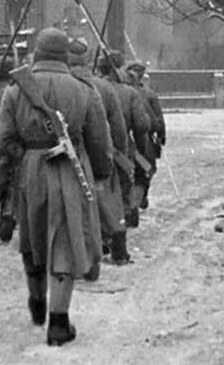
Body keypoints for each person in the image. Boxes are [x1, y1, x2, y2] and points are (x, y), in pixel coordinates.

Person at [0, 28, 112, 347]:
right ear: (64, 56)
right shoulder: (84, 90)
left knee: (32, 236)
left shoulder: (15, 91)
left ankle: (36, 300)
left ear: (38, 54)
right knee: (65, 242)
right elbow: (99, 139)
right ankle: (58, 320)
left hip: (30, 170)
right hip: (70, 169)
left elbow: (1, 144)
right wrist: (101, 173)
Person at [68, 38, 133, 265]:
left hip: (70, 154)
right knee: (108, 201)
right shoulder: (104, 88)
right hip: (103, 150)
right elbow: (118, 128)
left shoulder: (64, 86)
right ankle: (117, 248)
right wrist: (120, 155)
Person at [97, 50, 151, 229]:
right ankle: (125, 218)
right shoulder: (129, 92)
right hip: (122, 145)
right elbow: (141, 125)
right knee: (124, 182)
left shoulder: (91, 87)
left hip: (95, 145)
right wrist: (141, 150)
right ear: (118, 69)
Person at [126, 61, 166, 212]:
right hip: (143, 139)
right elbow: (158, 119)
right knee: (145, 171)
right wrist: (161, 135)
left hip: (128, 139)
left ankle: (135, 200)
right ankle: (136, 201)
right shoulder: (148, 94)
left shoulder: (120, 91)